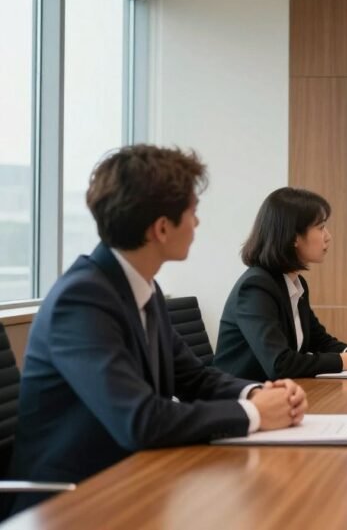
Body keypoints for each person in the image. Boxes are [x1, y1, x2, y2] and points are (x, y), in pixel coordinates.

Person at [8, 146, 306, 513]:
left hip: (131, 480)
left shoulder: (141, 288)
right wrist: (256, 415)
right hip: (69, 501)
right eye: (192, 213)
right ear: (162, 228)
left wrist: (261, 392)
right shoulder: (82, 299)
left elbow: (195, 378)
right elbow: (141, 419)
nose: (197, 224)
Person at [214, 188, 347, 380]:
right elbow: (280, 363)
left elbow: (318, 340)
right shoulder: (255, 288)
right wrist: (346, 361)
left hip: (278, 394)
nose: (328, 236)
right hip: (242, 400)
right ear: (293, 237)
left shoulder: (294, 282)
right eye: (320, 228)